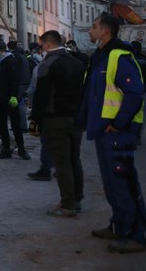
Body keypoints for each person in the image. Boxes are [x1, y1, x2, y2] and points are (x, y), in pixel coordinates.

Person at [78, 14, 145, 253]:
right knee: (111, 183)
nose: (89, 30)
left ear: (105, 31)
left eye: (94, 26)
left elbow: (135, 93)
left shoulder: (119, 55)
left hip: (118, 132)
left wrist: (118, 123)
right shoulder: (100, 57)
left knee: (124, 183)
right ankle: (119, 225)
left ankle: (139, 235)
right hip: (104, 131)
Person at [32, 31, 85, 217]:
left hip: (55, 118)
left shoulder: (48, 64)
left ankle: (67, 204)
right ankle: (77, 197)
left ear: (47, 45)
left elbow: (41, 96)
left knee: (61, 162)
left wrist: (36, 121)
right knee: (74, 159)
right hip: (76, 117)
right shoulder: (78, 63)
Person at [0, 40, 30, 160]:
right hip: (0, 99)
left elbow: (14, 80)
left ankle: (22, 149)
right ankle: (6, 149)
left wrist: (14, 96)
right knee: (1, 125)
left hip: (9, 99)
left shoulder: (10, 61)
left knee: (15, 125)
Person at [7, 40, 31, 133]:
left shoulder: (16, 56)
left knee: (19, 104)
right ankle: (20, 125)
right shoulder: (23, 55)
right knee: (20, 104)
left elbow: (15, 71)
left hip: (20, 82)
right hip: (25, 81)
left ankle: (22, 126)